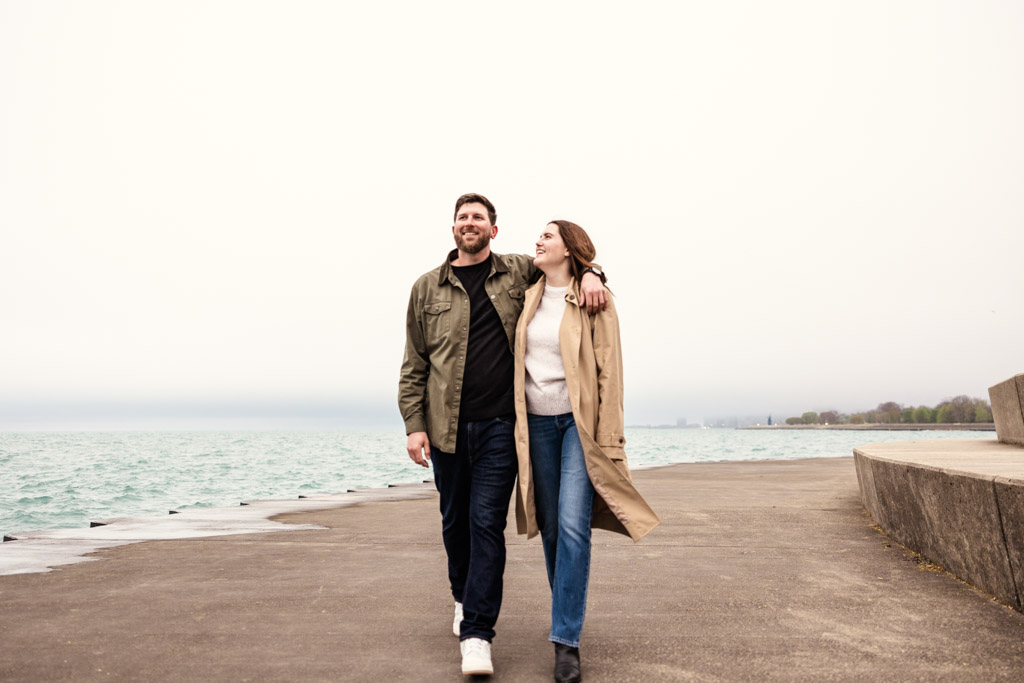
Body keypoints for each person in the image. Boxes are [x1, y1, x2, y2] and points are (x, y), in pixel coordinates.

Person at [398, 195, 607, 676]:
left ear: (493, 230)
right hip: (446, 430)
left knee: (486, 524)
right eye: (462, 217)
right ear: (453, 228)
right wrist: (414, 425)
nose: (469, 223)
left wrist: (594, 272)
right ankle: (462, 596)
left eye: (478, 217)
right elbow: (414, 364)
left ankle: (477, 635)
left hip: (502, 426)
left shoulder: (516, 271)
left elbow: (568, 265)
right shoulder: (426, 287)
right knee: (454, 524)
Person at [512, 220, 660, 683]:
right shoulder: (527, 292)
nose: (538, 241)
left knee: (574, 526)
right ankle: (566, 617)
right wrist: (595, 268)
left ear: (569, 248)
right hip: (536, 424)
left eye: (548, 236)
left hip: (579, 427)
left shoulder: (595, 298)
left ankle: (566, 642)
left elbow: (610, 373)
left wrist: (610, 440)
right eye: (539, 236)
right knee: (551, 530)